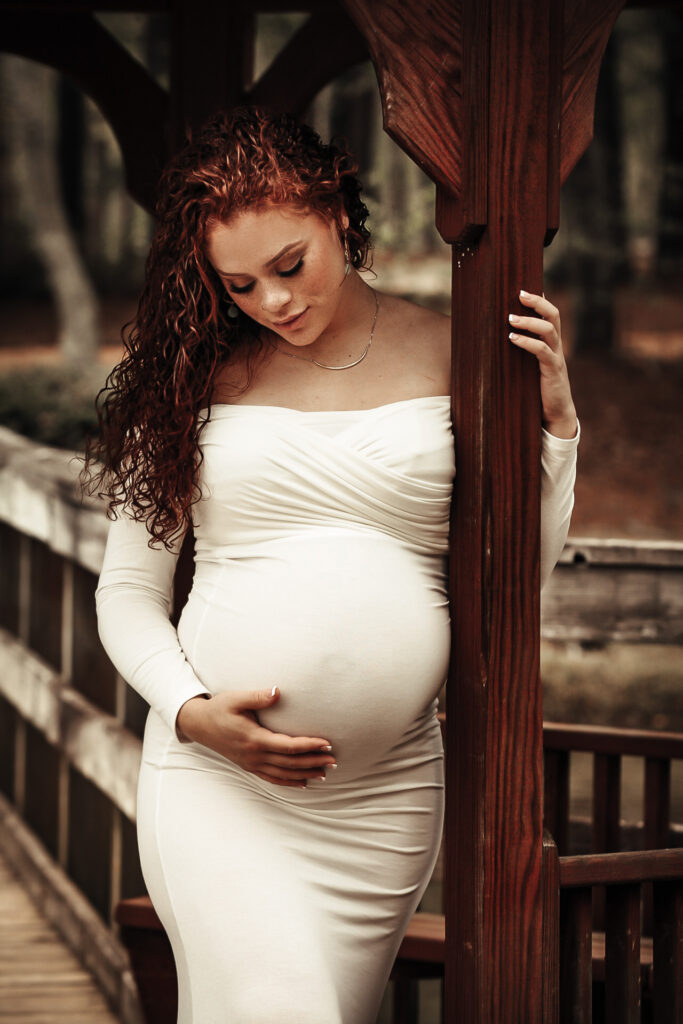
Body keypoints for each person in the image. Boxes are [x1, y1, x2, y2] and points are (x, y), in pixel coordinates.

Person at [84, 107, 579, 1024]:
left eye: (289, 265)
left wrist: (554, 428)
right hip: (217, 788)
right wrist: (191, 715)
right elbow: (126, 593)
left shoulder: (454, 349)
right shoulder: (194, 381)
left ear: (339, 218)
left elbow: (518, 574)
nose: (273, 302)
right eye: (238, 285)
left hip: (383, 798)